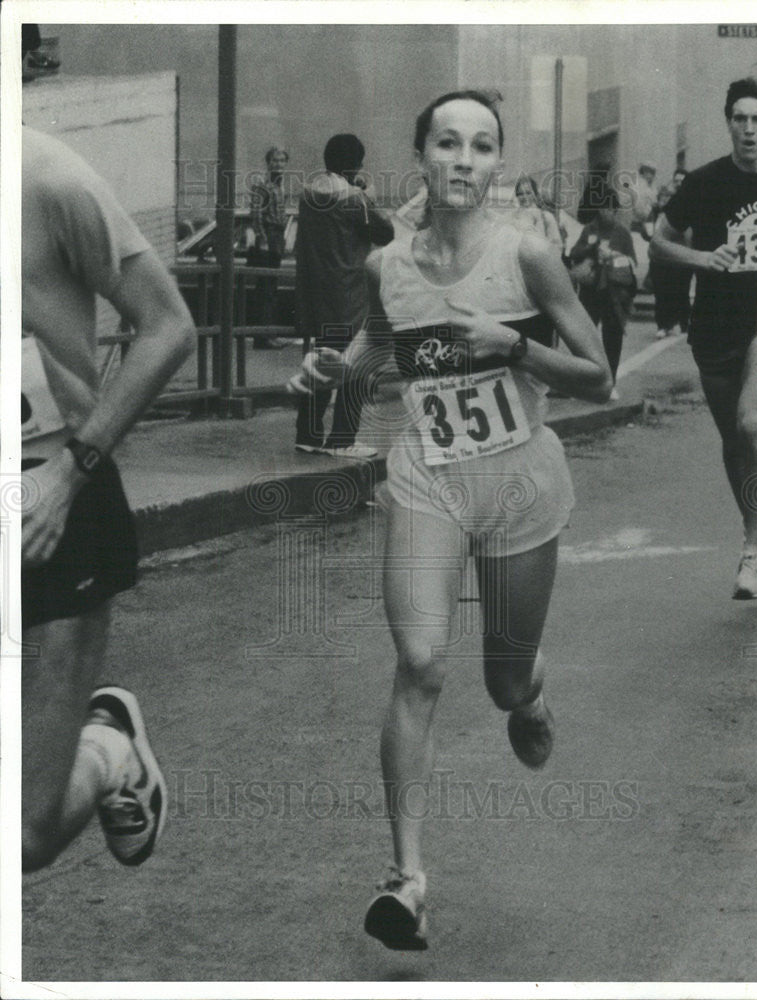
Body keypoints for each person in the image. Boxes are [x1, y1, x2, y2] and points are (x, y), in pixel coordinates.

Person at [289, 90, 611, 949]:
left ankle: (530, 687)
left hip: (517, 481)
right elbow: (383, 343)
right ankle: (407, 879)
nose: (463, 160)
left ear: (497, 164)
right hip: (427, 475)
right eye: (447, 144)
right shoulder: (386, 258)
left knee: (503, 683)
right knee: (421, 661)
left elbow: (599, 375)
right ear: (422, 156)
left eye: (480, 147)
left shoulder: (528, 255)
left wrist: (508, 345)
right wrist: (335, 368)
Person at [19, 111, 195, 872]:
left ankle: (109, 748)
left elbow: (167, 328)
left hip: (52, 502)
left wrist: (68, 476)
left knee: (21, 838)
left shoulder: (49, 180)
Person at [650, 78, 757, 599]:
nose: (750, 129)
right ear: (728, 123)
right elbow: (659, 242)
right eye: (740, 118)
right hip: (715, 328)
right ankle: (755, 533)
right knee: (736, 443)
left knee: (753, 422)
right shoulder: (705, 182)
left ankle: (756, 552)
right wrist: (702, 259)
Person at [294, 133, 394, 459]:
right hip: (350, 294)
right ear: (354, 164)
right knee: (356, 365)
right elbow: (385, 232)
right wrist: (369, 196)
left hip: (317, 293)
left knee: (324, 363)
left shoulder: (308, 194)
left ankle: (307, 434)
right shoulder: (353, 199)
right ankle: (342, 439)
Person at [569, 184, 637, 399]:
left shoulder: (622, 232)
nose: (609, 212)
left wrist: (613, 256)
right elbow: (573, 253)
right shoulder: (589, 229)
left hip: (614, 293)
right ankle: (584, 383)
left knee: (612, 338)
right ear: (598, 209)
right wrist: (592, 248)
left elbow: (632, 262)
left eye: (612, 209)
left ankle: (611, 383)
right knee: (585, 337)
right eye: (605, 208)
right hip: (590, 291)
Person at [249, 146, 291, 348]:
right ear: (268, 162)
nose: (279, 164)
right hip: (267, 237)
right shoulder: (262, 185)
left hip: (278, 237)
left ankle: (270, 334)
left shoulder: (280, 185)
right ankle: (262, 337)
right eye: (275, 160)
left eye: (282, 160)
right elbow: (255, 214)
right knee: (265, 289)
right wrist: (263, 240)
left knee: (272, 288)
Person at [649, 168, 692, 339]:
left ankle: (682, 323)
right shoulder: (659, 209)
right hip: (661, 258)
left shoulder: (689, 203)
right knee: (662, 292)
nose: (679, 184)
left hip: (680, 256)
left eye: (682, 181)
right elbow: (649, 230)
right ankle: (664, 324)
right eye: (676, 181)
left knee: (681, 290)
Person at [513, 172, 564, 253]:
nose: (524, 197)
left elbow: (557, 247)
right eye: (520, 194)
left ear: (535, 194)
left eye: (528, 192)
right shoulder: (513, 218)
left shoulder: (546, 217)